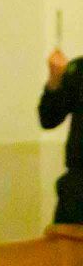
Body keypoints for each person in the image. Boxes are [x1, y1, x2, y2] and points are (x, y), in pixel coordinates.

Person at [39, 48, 83, 223]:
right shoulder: (78, 69)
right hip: (77, 188)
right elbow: (48, 119)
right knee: (64, 246)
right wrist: (55, 78)